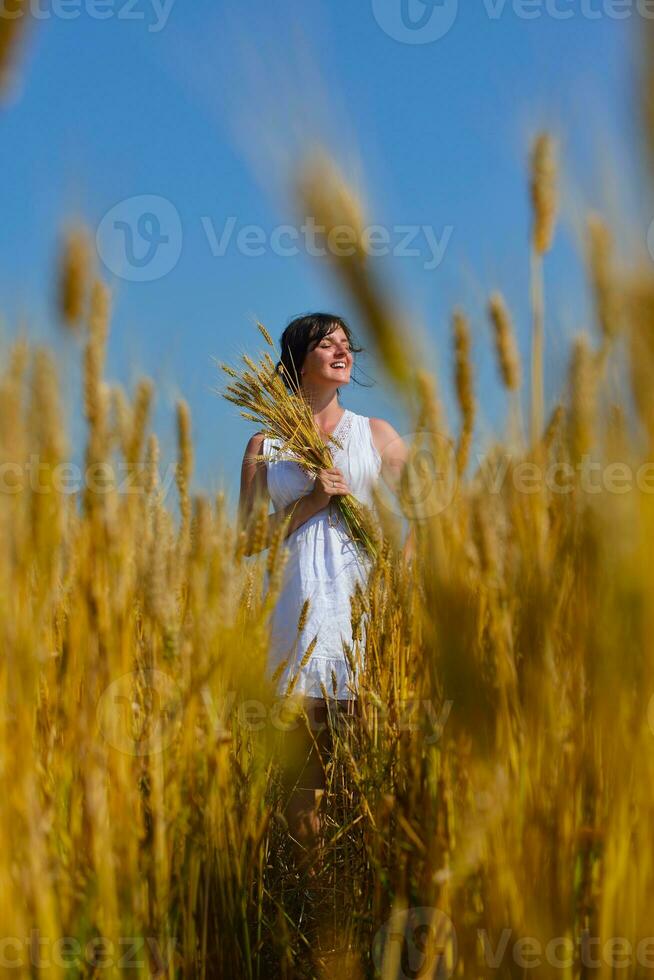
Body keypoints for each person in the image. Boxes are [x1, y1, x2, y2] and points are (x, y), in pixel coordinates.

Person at [238, 312, 412, 867]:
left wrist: (396, 590)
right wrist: (310, 502)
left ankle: (366, 896)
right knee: (302, 788)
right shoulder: (265, 444)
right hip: (295, 623)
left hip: (362, 622)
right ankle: (315, 900)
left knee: (370, 767)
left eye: (346, 343)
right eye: (327, 343)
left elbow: (421, 526)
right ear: (298, 358)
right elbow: (245, 542)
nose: (342, 351)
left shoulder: (378, 435)